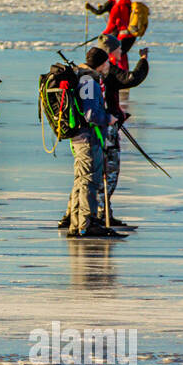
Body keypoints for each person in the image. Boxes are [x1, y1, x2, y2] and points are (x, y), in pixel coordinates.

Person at [62, 47, 122, 239]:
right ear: (101, 64)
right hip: (87, 138)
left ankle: (77, 224)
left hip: (80, 138)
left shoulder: (82, 78)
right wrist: (108, 119)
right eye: (107, 63)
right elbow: (90, 114)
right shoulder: (89, 81)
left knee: (81, 180)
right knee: (89, 180)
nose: (108, 67)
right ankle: (87, 224)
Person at [93, 35, 148, 229]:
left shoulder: (91, 70)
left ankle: (98, 212)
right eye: (118, 48)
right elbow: (132, 79)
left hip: (96, 127)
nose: (121, 51)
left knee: (96, 172)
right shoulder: (107, 70)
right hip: (106, 128)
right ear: (110, 52)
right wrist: (143, 60)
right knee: (110, 172)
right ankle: (99, 214)